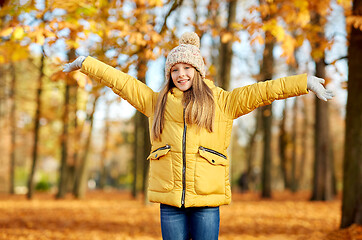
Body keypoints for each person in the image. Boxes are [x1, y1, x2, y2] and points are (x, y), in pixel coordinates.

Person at [63, 32, 333, 240]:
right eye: (175, 69)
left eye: (187, 68)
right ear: (169, 73)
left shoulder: (222, 102)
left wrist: (304, 82)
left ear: (198, 71)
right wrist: (86, 63)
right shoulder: (156, 102)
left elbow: (263, 91)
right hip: (170, 201)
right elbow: (121, 82)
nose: (181, 74)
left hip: (206, 200)